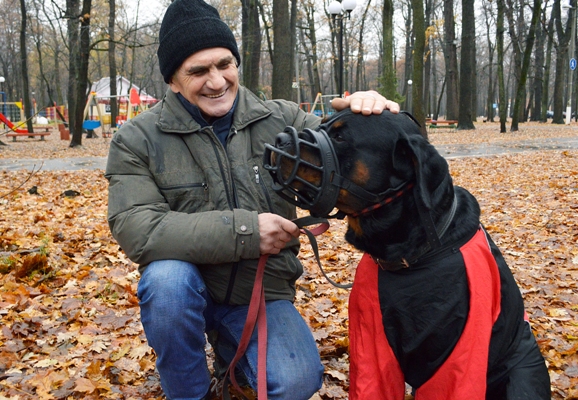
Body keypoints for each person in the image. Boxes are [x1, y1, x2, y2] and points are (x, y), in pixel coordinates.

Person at [105, 0, 400, 399]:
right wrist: (246, 231)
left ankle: (234, 358)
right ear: (173, 81)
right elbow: (137, 227)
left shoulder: (283, 121)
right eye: (198, 71)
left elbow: (348, 152)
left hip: (259, 293)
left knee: (296, 383)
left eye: (224, 64)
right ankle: (190, 392)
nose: (216, 81)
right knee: (166, 282)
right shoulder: (136, 139)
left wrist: (370, 112)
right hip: (186, 288)